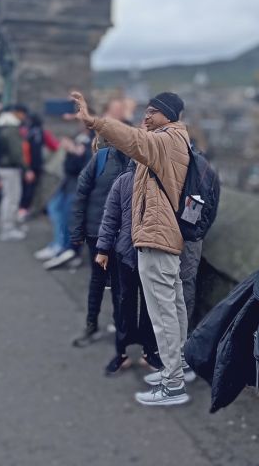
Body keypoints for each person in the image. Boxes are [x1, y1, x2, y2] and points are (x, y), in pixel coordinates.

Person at [71, 90, 194, 407]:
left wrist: (95, 121)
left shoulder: (166, 141)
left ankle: (172, 384)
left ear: (168, 114)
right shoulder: (174, 140)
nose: (146, 116)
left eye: (153, 111)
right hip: (163, 236)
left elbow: (133, 140)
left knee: (163, 314)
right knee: (174, 307)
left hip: (156, 237)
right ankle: (176, 367)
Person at [95, 162, 161, 375]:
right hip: (126, 253)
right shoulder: (124, 181)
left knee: (151, 306)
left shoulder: (163, 180)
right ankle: (121, 352)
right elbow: (110, 217)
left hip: (154, 253)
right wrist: (103, 249)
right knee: (123, 303)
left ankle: (149, 351)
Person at [65, 139, 131, 345]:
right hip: (96, 231)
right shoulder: (101, 158)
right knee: (98, 280)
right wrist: (77, 230)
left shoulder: (139, 159)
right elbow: (81, 194)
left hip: (123, 234)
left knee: (120, 284)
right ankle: (92, 325)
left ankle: (120, 330)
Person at [39, 122, 91, 268]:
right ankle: (61, 246)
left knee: (70, 218)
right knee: (59, 211)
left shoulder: (89, 144)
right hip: (68, 183)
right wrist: (73, 151)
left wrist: (74, 151)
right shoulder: (79, 139)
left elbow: (82, 167)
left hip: (76, 186)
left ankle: (69, 250)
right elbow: (69, 166)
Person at [0, 104, 33, 241]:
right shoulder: (11, 128)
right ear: (18, 113)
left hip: (3, 166)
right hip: (10, 167)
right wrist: (26, 168)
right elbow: (16, 152)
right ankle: (8, 229)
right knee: (12, 199)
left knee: (8, 198)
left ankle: (9, 226)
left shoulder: (2, 124)